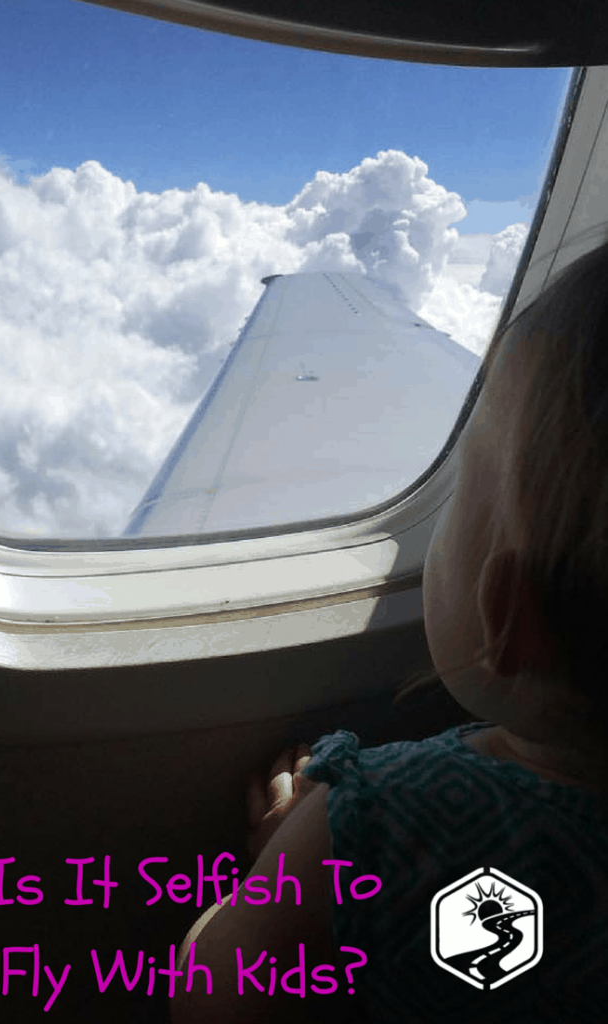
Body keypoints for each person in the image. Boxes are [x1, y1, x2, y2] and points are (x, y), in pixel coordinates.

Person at [170, 241, 608, 1023]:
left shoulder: (370, 822)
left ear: (510, 617)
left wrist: (275, 865)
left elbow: (207, 1000)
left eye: (455, 495)